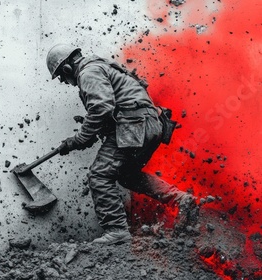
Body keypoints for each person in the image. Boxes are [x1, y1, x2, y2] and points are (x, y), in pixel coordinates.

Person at [46, 44, 198, 245]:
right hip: (149, 126)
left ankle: (117, 230)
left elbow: (101, 107)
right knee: (126, 175)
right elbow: (106, 113)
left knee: (99, 175)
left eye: (62, 77)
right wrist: (75, 143)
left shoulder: (88, 72)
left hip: (134, 126)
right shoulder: (100, 66)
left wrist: (80, 139)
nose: (65, 82)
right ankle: (179, 199)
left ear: (66, 68)